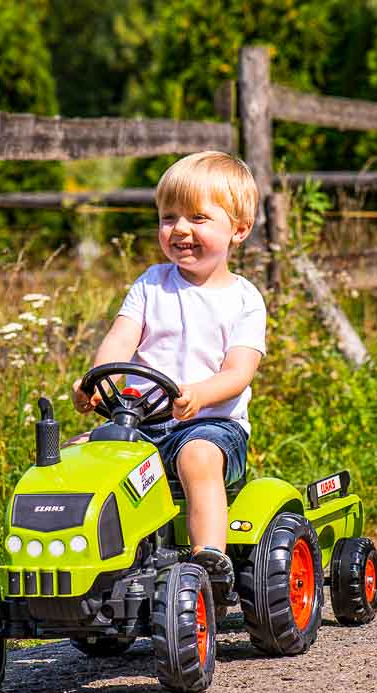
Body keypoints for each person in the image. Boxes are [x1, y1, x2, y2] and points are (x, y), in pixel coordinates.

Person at [71, 151, 266, 594]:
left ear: (238, 229)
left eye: (198, 217)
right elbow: (121, 340)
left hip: (212, 426)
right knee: (78, 455)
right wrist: (97, 380)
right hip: (141, 421)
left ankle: (208, 562)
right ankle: (88, 569)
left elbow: (239, 372)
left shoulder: (244, 299)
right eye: (169, 217)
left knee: (197, 456)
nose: (180, 229)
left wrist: (199, 394)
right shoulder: (151, 283)